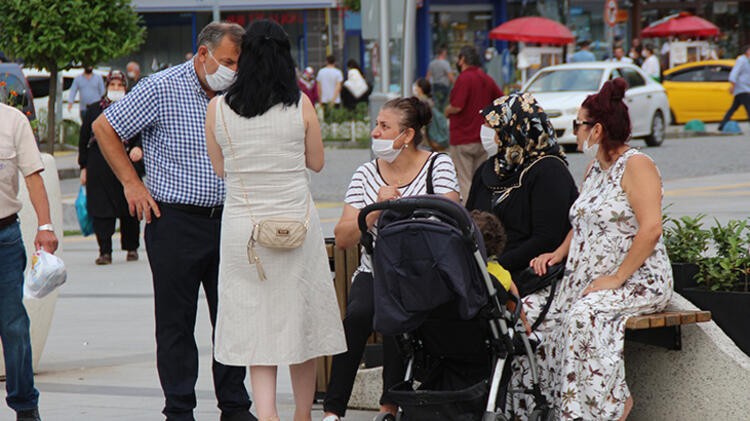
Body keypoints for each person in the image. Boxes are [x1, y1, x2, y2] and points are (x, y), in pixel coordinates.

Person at [91, 22, 255, 421]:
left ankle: (234, 405)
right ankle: (179, 408)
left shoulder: (240, 93)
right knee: (176, 322)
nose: (233, 69)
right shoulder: (160, 87)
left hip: (228, 221)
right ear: (204, 54)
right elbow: (104, 127)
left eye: (239, 62)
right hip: (175, 220)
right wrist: (132, 184)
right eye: (228, 61)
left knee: (233, 319)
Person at [204, 20, 346, 421]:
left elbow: (221, 170)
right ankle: (303, 413)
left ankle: (267, 414)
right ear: (286, 58)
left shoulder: (218, 107)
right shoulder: (300, 104)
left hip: (243, 234)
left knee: (255, 326)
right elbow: (316, 162)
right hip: (295, 228)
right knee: (298, 323)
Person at [531, 78, 672, 420]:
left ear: (597, 130)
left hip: (637, 280)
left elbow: (651, 228)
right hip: (586, 277)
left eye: (579, 124)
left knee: (585, 315)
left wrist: (617, 277)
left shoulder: (637, 165)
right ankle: (543, 408)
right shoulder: (595, 167)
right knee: (534, 315)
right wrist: (559, 253)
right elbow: (583, 218)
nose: (575, 130)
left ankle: (607, 406)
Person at [322, 97, 460, 421]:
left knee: (399, 315)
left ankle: (389, 407)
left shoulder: (437, 165)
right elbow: (343, 237)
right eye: (377, 124)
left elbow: (453, 214)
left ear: (407, 135)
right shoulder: (365, 174)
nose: (375, 132)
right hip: (376, 269)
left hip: (424, 273)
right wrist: (377, 206)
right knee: (359, 315)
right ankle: (332, 411)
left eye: (385, 127)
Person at [465, 92, 578, 418]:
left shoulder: (548, 171)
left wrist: (495, 265)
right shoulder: (489, 169)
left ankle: (523, 406)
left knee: (508, 322)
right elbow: (469, 218)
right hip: (486, 273)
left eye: (494, 127)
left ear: (516, 128)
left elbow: (547, 237)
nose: (488, 135)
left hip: (533, 274)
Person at [0, 102, 59, 421]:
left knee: (14, 326)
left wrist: (46, 225)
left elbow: (34, 176)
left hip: (4, 236)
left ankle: (25, 406)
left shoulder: (13, 121)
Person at [78, 70, 143, 265]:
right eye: (112, 86)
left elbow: (142, 132)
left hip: (127, 165)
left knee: (130, 208)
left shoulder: (135, 108)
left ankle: (132, 247)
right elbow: (84, 141)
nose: (116, 89)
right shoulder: (94, 110)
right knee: (101, 209)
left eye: (120, 86)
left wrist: (138, 147)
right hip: (99, 166)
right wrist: (84, 167)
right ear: (106, 87)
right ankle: (104, 251)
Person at [444, 45, 503, 202]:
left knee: (464, 179)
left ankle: (470, 215)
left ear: (462, 59)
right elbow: (500, 100)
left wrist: (447, 110)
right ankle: (483, 208)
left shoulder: (463, 78)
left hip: (463, 136)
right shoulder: (485, 77)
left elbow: (457, 106)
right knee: (482, 178)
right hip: (483, 136)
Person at [470, 210, 530, 334]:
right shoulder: (501, 275)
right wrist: (524, 325)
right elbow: (516, 310)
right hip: (485, 336)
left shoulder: (453, 271)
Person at [718, 45, 750, 132]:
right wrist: (732, 85)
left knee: (733, 108)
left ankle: (722, 124)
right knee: (748, 107)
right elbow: (734, 73)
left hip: (745, 88)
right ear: (747, 51)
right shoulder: (741, 60)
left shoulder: (748, 61)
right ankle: (722, 124)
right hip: (742, 88)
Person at [412, 77, 448, 152]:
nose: (415, 88)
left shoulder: (421, 103)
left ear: (420, 89)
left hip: (425, 141)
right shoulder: (432, 101)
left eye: (416, 86)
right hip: (431, 139)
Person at [426, 45, 455, 111]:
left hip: (435, 86)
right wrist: (456, 84)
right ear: (444, 53)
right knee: (443, 106)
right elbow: (450, 77)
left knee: (436, 105)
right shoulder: (445, 63)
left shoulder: (432, 63)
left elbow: (428, 77)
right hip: (443, 87)